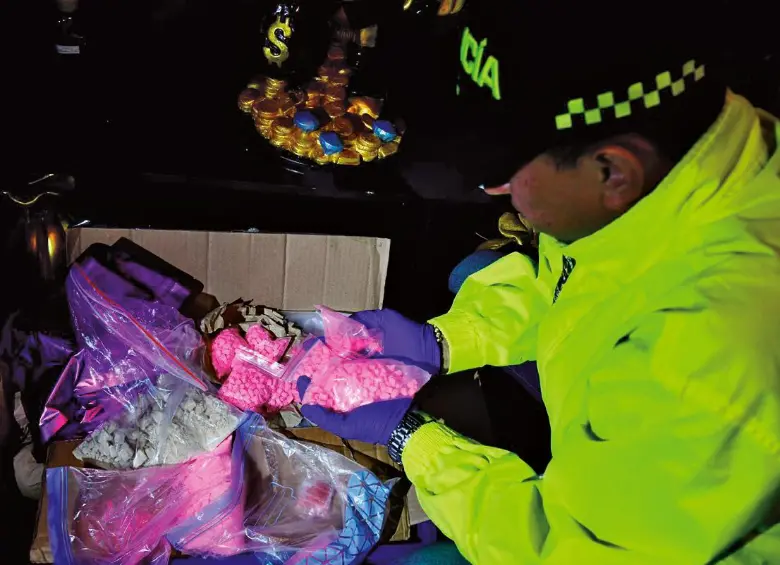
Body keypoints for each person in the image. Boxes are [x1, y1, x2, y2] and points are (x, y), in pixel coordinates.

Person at [298, 2, 780, 563]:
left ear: (612, 171)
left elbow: (572, 550)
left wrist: (414, 440)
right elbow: (582, 283)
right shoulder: (683, 168)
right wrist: (447, 342)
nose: (493, 194)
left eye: (499, 173)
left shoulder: (704, 362)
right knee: (475, 276)